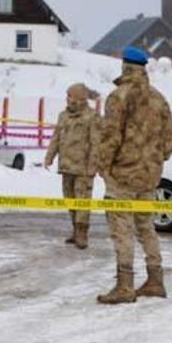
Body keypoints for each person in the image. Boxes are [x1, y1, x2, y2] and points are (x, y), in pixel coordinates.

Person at [97, 46, 172, 304]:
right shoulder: (159, 99)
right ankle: (155, 280)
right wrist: (155, 161)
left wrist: (104, 167)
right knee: (146, 227)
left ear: (124, 67)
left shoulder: (118, 97)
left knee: (122, 229)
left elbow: (110, 137)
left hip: (122, 175)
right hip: (149, 176)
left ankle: (125, 285)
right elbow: (170, 141)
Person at [44, 83, 101, 249]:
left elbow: (96, 143)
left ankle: (82, 233)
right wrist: (50, 156)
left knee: (82, 201)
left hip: (83, 168)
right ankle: (75, 230)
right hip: (66, 165)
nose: (67, 99)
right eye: (67, 96)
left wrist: (93, 165)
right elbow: (56, 138)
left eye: (70, 96)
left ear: (79, 98)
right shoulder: (63, 116)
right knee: (69, 200)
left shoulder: (92, 117)